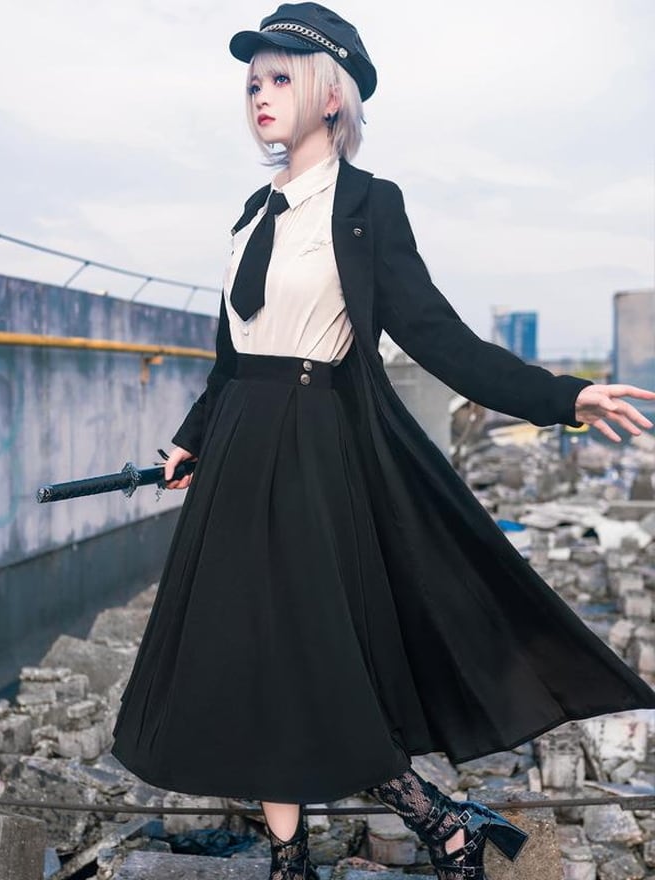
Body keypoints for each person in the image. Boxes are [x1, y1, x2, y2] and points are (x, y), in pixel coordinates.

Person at [109, 4, 655, 878]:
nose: (259, 95)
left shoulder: (368, 205)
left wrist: (566, 395)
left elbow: (439, 337)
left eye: (280, 78)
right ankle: (292, 857)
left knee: (312, 654)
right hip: (239, 450)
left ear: (332, 96)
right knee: (252, 653)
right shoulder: (252, 213)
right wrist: (190, 440)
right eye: (252, 82)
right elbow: (231, 359)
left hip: (313, 449)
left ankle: (441, 822)